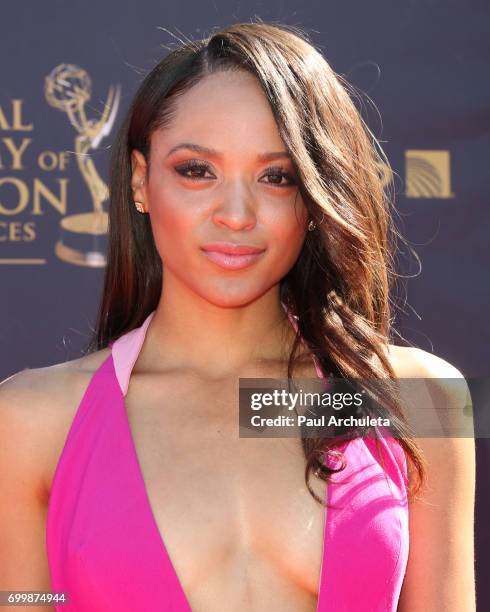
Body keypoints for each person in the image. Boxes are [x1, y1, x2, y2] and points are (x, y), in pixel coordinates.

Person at [0, 20, 475, 612]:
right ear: (140, 182)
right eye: (197, 170)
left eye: (276, 177)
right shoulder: (32, 422)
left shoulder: (415, 397)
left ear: (314, 194)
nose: (236, 213)